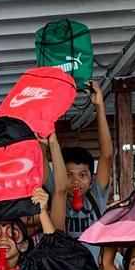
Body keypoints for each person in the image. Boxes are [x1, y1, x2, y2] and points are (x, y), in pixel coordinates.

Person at [53, 81, 113, 241]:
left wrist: (99, 106)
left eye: (82, 175)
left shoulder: (97, 195)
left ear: (92, 179)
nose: (75, 181)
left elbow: (107, 155)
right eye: (68, 175)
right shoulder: (57, 194)